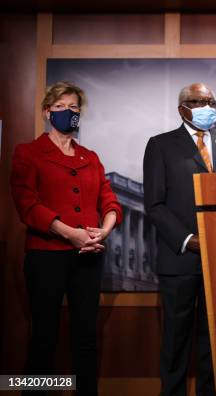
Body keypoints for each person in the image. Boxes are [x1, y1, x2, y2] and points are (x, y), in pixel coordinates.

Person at [10, 81, 122, 395]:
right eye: (61, 107)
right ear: (47, 112)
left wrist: (105, 229)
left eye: (74, 108)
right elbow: (27, 204)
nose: (68, 113)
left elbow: (109, 201)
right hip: (46, 256)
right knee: (44, 336)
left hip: (88, 256)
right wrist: (70, 234)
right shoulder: (28, 153)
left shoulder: (90, 157)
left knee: (86, 337)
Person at [143, 83, 216, 396]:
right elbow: (154, 205)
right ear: (182, 107)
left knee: (213, 345)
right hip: (180, 260)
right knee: (175, 344)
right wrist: (189, 240)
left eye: (210, 101)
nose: (206, 106)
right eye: (198, 101)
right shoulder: (161, 145)